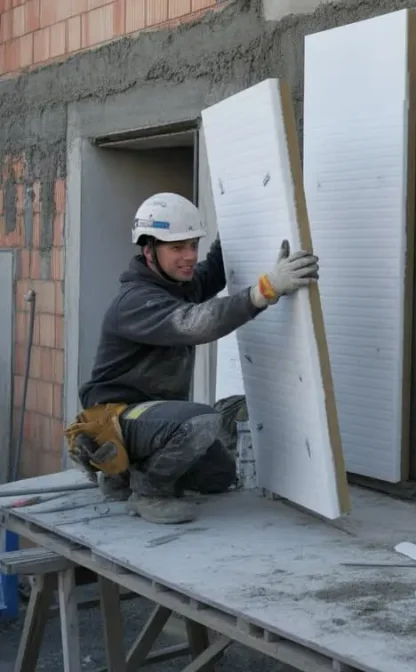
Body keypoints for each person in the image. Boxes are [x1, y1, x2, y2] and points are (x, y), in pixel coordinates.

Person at [65, 192, 320, 525]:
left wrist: (248, 202)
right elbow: (195, 323)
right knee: (200, 421)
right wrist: (266, 290)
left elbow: (215, 269)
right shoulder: (134, 302)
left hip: (153, 421)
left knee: (219, 476)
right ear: (148, 250)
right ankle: (148, 492)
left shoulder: (177, 284)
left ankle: (120, 475)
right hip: (117, 419)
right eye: (176, 248)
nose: (188, 257)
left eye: (192, 246)